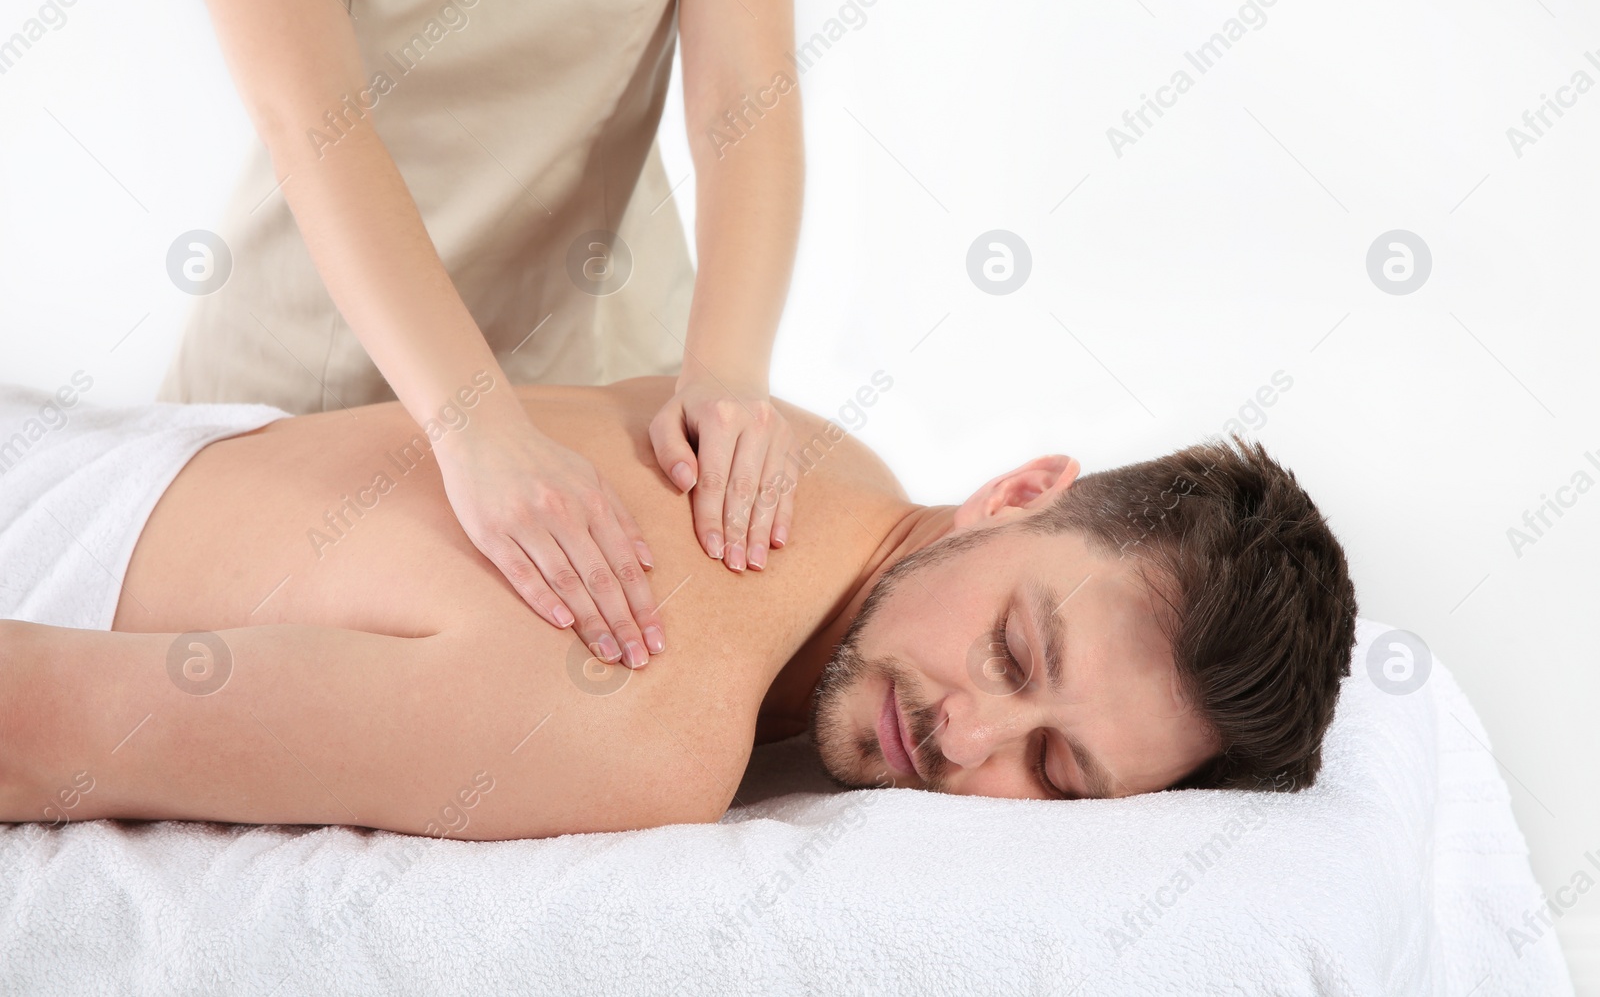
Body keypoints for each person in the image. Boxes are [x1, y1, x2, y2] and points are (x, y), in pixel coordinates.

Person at [0, 376, 1357, 840]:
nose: (964, 732)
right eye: (1015, 647)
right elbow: (35, 724)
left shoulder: (823, 459)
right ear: (1018, 489)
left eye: (1054, 771)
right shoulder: (648, 726)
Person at [162, 0, 804, 673]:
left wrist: (727, 373)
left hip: (591, 365)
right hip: (314, 376)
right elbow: (310, 123)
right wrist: (473, 420)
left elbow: (744, 105)